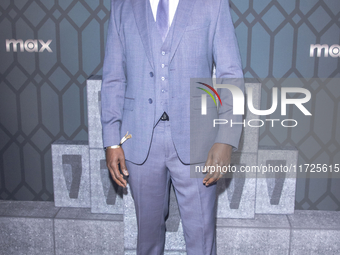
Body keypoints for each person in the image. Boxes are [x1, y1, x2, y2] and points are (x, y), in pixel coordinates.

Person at [101, 0, 244, 254]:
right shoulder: (122, 5)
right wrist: (112, 140)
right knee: (147, 237)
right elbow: (113, 77)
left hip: (198, 139)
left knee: (202, 237)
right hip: (139, 139)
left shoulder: (213, 4)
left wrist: (226, 138)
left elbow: (230, 74)